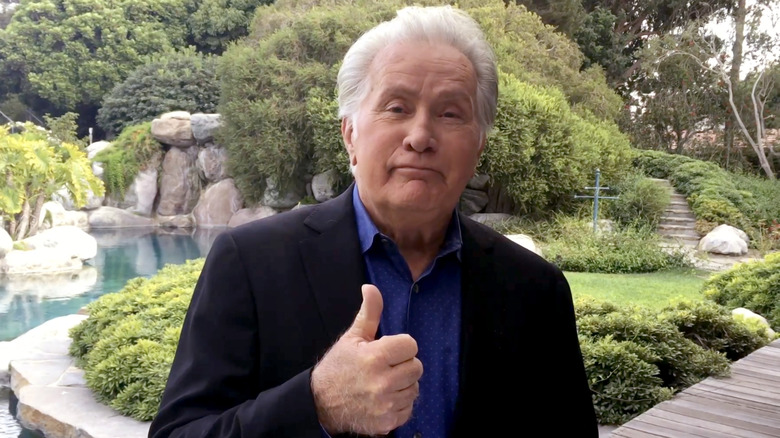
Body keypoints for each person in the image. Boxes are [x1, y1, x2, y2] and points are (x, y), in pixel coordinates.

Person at [148, 5, 598, 438]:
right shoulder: (249, 263)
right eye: (397, 107)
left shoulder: (536, 290)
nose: (420, 137)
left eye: (450, 113)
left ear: (478, 146)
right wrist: (317, 403)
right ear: (351, 134)